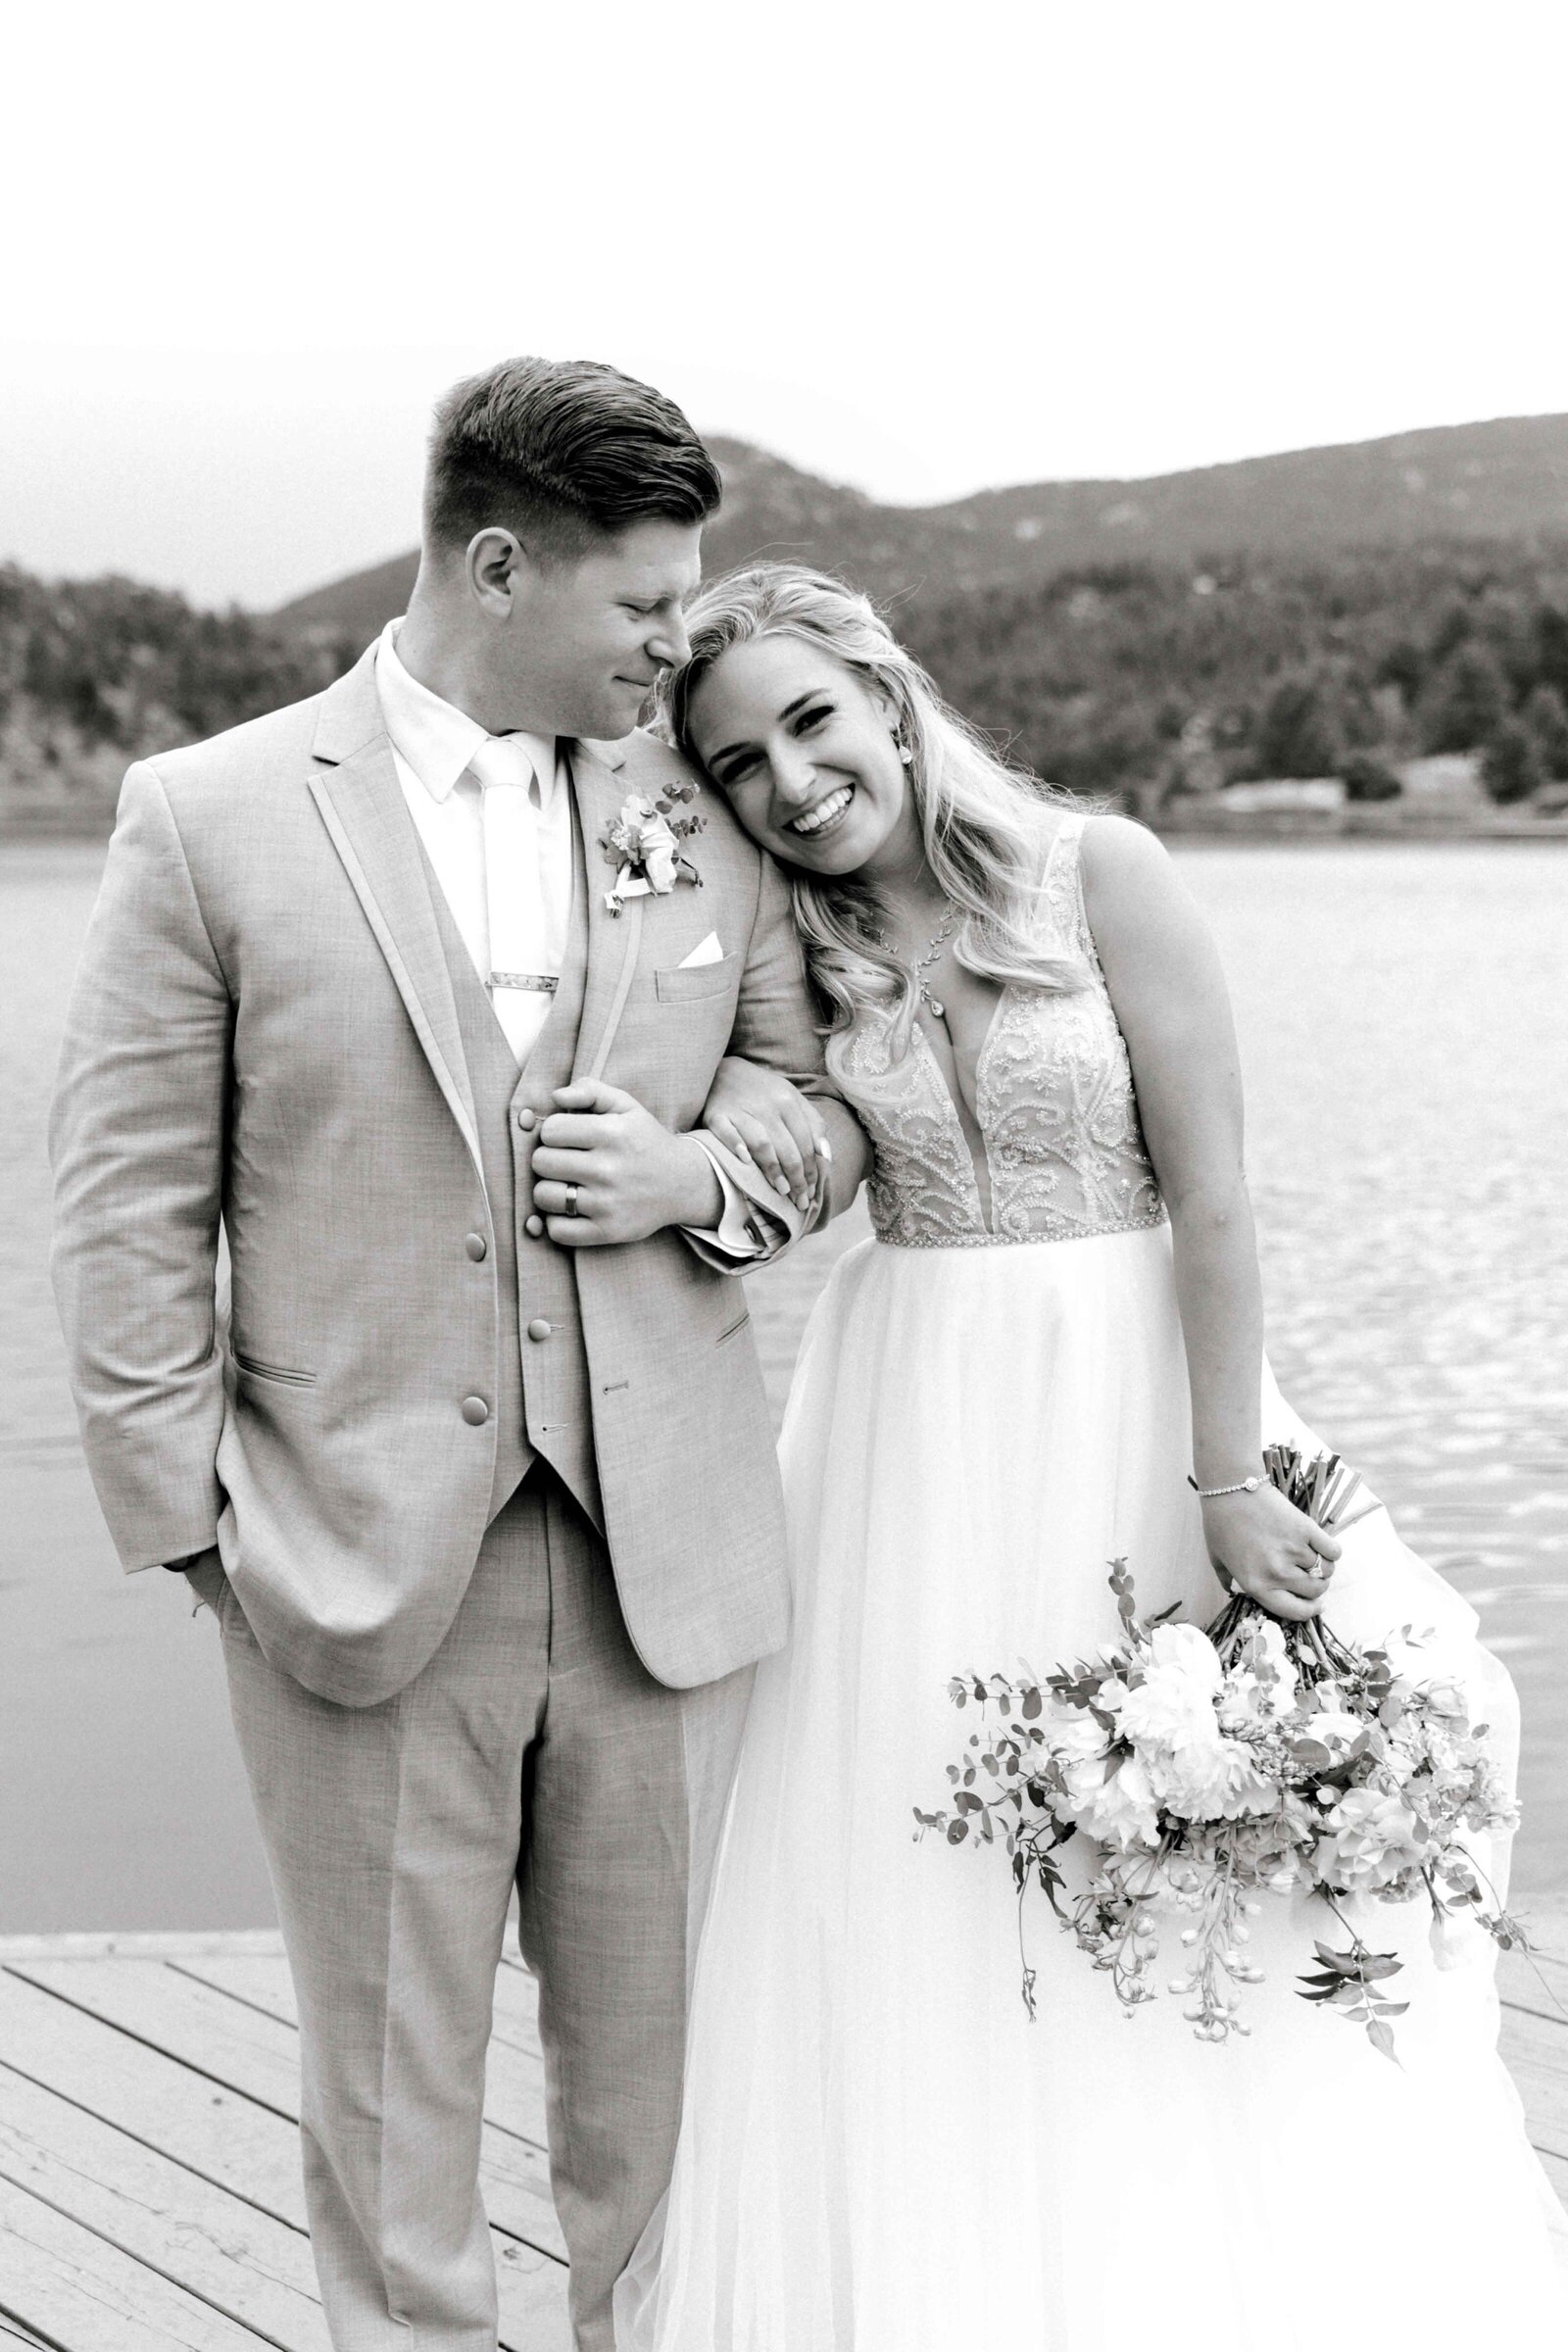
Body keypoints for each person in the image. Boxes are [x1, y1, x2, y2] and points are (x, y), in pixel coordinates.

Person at [610, 564, 1568, 2350]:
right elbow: (787, 1150)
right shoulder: (798, 949)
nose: (790, 783)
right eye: (737, 765)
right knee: (916, 1861)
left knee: (1209, 1820)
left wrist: (1223, 1477)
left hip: (1137, 1401)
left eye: (810, 722)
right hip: (913, 1428)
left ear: (889, 696)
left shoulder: (1098, 869)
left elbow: (1213, 1189)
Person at [48, 366, 866, 2352]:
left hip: (661, 1557)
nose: (676, 646)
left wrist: (691, 1170)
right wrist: (196, 1534)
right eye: (642, 608)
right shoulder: (210, 817)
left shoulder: (705, 809)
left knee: (662, 2113)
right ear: (498, 566)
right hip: (349, 1565)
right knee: (389, 2112)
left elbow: (826, 1097)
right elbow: (127, 1203)